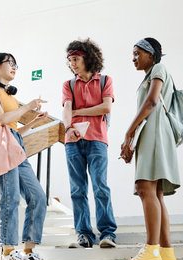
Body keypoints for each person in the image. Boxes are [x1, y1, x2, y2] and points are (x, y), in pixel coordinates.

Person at [0, 52, 54, 260]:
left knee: (38, 196)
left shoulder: (12, 98)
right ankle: (7, 253)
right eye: (10, 63)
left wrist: (33, 121)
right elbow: (3, 120)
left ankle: (29, 252)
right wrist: (28, 106)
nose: (14, 67)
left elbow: (15, 129)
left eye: (16, 65)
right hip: (3, 144)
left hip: (16, 144)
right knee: (10, 197)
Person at [118, 38, 180, 260]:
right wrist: (132, 139)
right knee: (156, 193)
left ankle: (151, 249)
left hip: (155, 133)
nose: (133, 58)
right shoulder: (149, 75)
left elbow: (152, 102)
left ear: (151, 54)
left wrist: (128, 131)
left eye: (137, 53)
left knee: (145, 189)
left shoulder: (159, 68)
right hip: (153, 134)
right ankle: (165, 251)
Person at [62, 38, 117, 249]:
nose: (72, 64)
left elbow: (105, 108)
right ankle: (84, 235)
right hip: (72, 140)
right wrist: (68, 127)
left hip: (97, 140)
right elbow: (66, 108)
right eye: (69, 60)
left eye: (75, 59)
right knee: (77, 190)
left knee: (100, 187)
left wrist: (77, 112)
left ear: (88, 58)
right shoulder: (68, 85)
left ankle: (108, 233)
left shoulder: (105, 81)